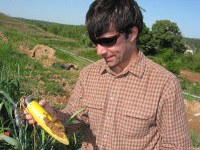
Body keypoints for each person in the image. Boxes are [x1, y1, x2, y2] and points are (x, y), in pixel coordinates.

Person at [24, 0, 192, 149]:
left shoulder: (165, 84)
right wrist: (55, 117)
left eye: (107, 41)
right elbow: (75, 120)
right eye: (96, 42)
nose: (99, 51)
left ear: (132, 34)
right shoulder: (89, 74)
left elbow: (177, 146)